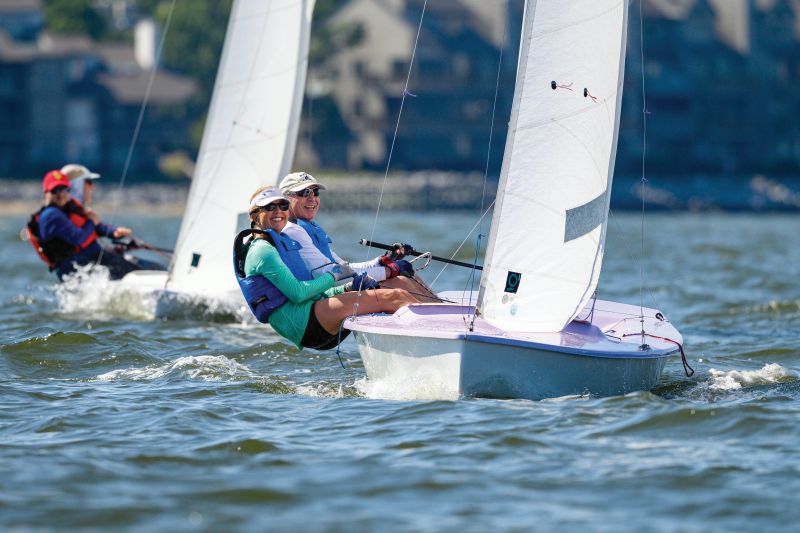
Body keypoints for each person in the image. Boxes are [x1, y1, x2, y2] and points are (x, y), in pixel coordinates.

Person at [234, 187, 419, 350]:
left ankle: (439, 320)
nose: (278, 211)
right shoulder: (262, 250)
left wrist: (346, 287)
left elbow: (313, 287)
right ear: (254, 215)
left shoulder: (277, 241)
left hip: (311, 312)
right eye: (269, 207)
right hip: (303, 324)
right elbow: (298, 293)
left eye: (282, 206)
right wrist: (335, 275)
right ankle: (438, 337)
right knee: (395, 297)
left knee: (398, 284)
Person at [278, 171, 438, 301]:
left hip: (336, 288)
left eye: (316, 192)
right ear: (286, 199)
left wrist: (384, 261)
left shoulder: (306, 227)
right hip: (324, 298)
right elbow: (332, 276)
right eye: (304, 192)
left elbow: (344, 267)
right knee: (400, 282)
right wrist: (388, 272)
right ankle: (438, 316)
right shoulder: (293, 231)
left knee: (406, 276)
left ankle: (439, 310)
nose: (312, 197)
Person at [25, 170, 155, 280]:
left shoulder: (69, 208)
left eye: (64, 189)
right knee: (134, 268)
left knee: (135, 265)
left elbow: (95, 226)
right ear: (46, 193)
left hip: (90, 260)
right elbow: (78, 238)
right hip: (76, 268)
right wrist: (91, 222)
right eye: (55, 190)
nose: (61, 194)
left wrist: (113, 232)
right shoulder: (51, 215)